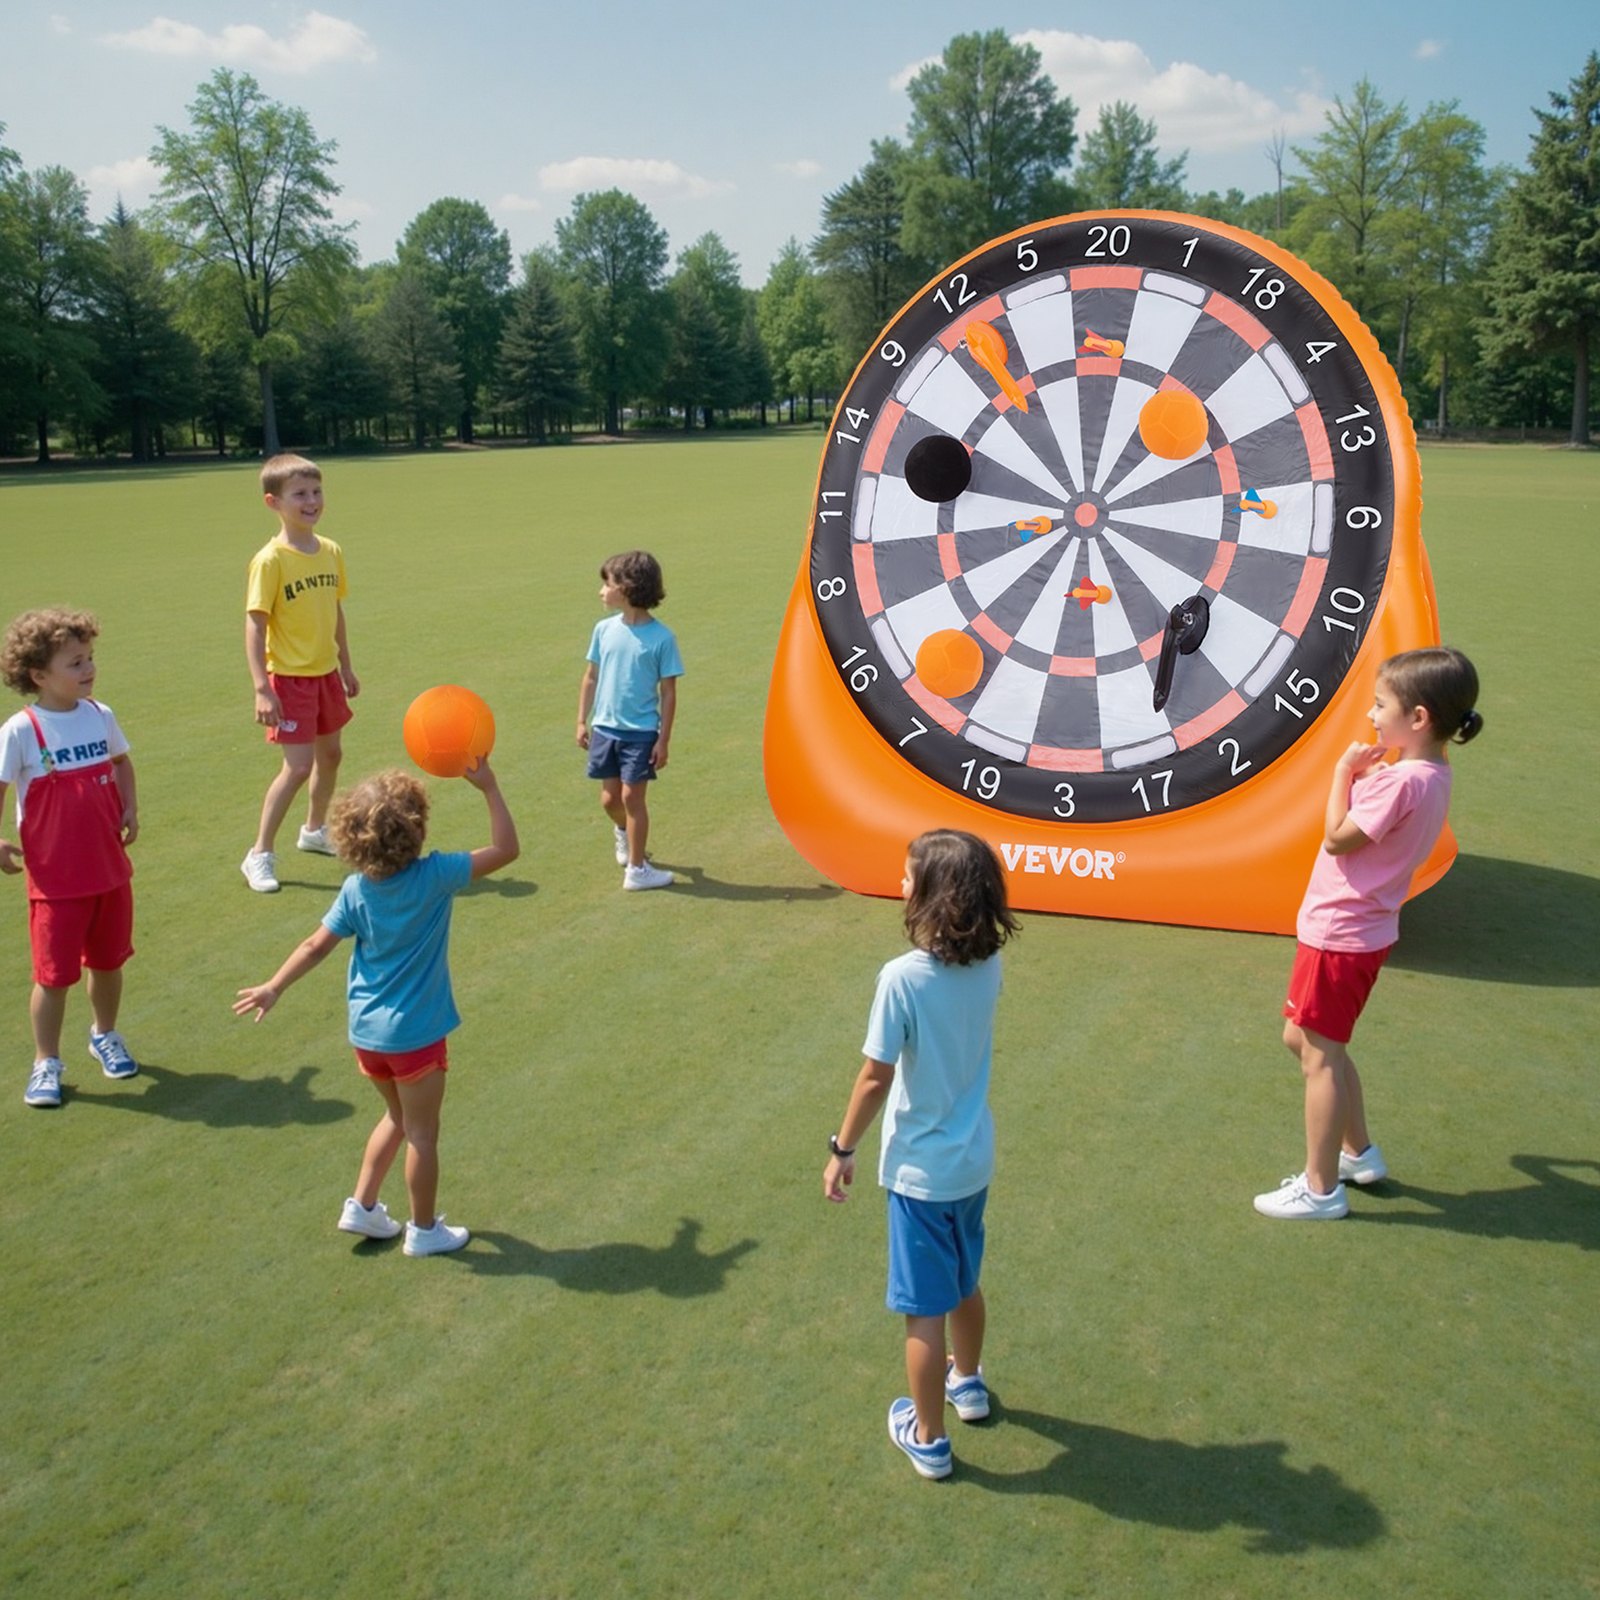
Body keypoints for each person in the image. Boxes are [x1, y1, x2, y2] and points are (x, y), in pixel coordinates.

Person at [233, 759, 519, 1256]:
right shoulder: (436, 875)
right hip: (416, 1036)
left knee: (397, 1118)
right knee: (423, 1136)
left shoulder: (356, 890)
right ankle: (424, 1230)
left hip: (367, 1037)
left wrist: (274, 986)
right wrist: (490, 787)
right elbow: (506, 850)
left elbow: (314, 947)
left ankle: (362, 1205)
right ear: (415, 829)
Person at [1254, 646, 1483, 1220]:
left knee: (1320, 1056)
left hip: (1341, 930)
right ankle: (1357, 1152)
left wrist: (1345, 774)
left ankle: (1321, 1187)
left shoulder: (1397, 784)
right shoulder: (1430, 775)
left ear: (1420, 718)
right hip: (1363, 929)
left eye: (1382, 705)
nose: (1373, 715)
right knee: (1304, 1039)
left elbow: (1336, 837)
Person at [823, 829, 1020, 1479]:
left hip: (918, 1175)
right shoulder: (989, 964)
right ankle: (968, 1384)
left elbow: (874, 1076)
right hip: (972, 1164)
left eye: (908, 878)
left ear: (935, 896)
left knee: (921, 1310)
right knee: (965, 1281)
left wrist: (842, 1146)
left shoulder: (901, 979)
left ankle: (929, 1438)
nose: (901, 885)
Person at [0, 608, 140, 1108]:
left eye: (90, 658)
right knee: (53, 977)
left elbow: (122, 763)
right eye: (76, 662)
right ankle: (46, 1061)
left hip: (108, 872)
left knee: (108, 963)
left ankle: (105, 1033)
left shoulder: (100, 716)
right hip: (56, 884)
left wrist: (130, 805)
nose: (89, 669)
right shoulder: (21, 730)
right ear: (39, 675)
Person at [241, 453, 360, 894]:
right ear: (274, 502)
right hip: (289, 680)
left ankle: (314, 831)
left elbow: (335, 610)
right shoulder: (270, 561)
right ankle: (260, 855)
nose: (311, 501)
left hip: (326, 674)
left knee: (330, 757)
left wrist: (345, 664)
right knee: (297, 767)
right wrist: (261, 688)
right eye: (300, 494)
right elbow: (255, 625)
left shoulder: (330, 551)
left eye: (316, 492)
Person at [575, 550, 682, 891]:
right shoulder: (603, 630)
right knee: (610, 801)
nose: (601, 591)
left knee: (633, 798)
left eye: (607, 584)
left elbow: (668, 693)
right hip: (605, 728)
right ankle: (624, 834)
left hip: (641, 734)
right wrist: (581, 720)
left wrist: (663, 739)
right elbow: (590, 677)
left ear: (629, 588)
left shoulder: (662, 639)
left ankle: (637, 869)